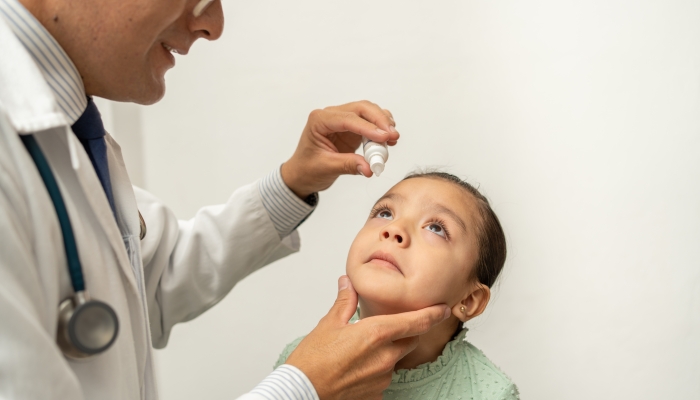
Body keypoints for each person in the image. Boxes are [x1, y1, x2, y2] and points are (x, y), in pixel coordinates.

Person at [0, 0, 453, 398]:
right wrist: (299, 389)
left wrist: (293, 182)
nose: (213, 24)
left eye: (437, 227)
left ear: (472, 300)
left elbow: (145, 280)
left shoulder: (69, 129)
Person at [275, 171, 520, 399]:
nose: (394, 229)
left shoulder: (492, 394)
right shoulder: (300, 362)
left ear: (469, 300)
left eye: (436, 228)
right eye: (385, 213)